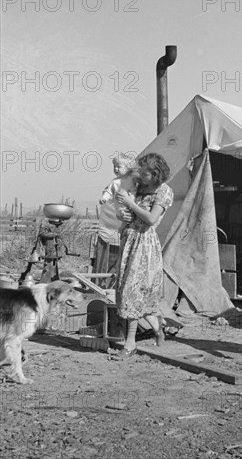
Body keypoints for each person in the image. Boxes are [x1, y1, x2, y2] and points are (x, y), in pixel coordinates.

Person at [113, 152, 174, 358]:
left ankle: (130, 344)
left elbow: (150, 218)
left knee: (134, 291)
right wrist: (122, 213)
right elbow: (129, 213)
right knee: (130, 292)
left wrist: (131, 204)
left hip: (145, 245)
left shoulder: (163, 191)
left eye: (146, 173)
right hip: (129, 241)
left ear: (156, 174)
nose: (142, 175)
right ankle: (159, 329)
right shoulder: (139, 187)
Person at [92, 153, 137, 274]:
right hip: (118, 212)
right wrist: (104, 198)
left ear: (128, 168)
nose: (116, 169)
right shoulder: (115, 182)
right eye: (115, 166)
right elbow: (108, 192)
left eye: (119, 166)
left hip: (130, 209)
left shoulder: (132, 181)